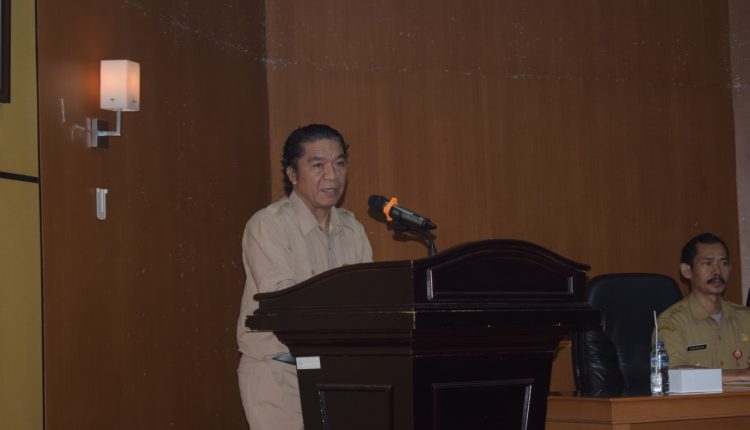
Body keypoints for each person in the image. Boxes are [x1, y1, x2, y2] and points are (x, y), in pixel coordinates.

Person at [236, 124, 373, 429]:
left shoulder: (353, 229)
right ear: (293, 174)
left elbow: (368, 302)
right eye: (318, 165)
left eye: (339, 163)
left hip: (339, 376)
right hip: (280, 375)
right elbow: (284, 302)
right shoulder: (268, 225)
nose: (332, 175)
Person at [656, 233, 750, 382]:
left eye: (723, 263)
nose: (717, 271)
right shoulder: (671, 322)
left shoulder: (746, 318)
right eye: (708, 263)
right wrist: (740, 375)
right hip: (699, 399)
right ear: (687, 271)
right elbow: (673, 373)